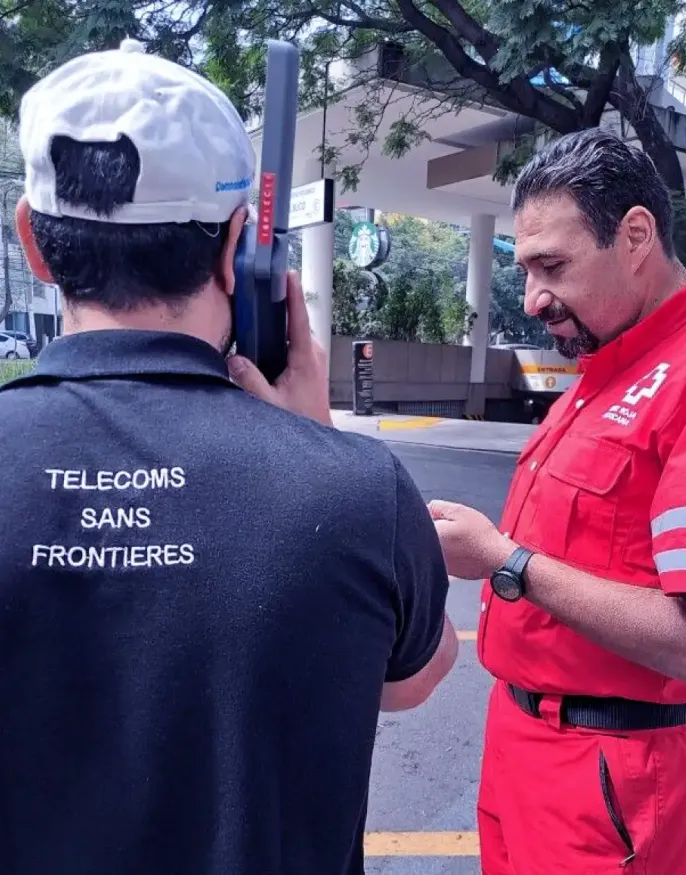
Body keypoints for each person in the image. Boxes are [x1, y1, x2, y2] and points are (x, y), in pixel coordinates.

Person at [1, 39, 458, 875]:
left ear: (32, 239)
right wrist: (315, 444)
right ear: (239, 250)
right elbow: (412, 678)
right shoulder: (356, 488)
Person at [430, 128, 686, 875]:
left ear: (635, 236)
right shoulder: (610, 367)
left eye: (553, 266)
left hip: (618, 775)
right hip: (524, 745)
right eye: (525, 268)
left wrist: (505, 561)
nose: (532, 298)